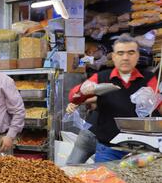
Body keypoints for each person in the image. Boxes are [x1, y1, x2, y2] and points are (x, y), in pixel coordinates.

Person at [69, 34, 162, 162]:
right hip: (108, 148)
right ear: (113, 57)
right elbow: (74, 98)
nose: (125, 58)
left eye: (130, 53)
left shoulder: (149, 78)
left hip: (140, 151)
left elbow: (159, 106)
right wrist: (82, 91)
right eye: (120, 53)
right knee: (103, 181)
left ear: (137, 56)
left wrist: (153, 100)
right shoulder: (101, 77)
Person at [65, 97, 98, 165]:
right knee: (72, 167)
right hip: (88, 133)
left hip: (109, 141)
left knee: (104, 172)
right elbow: (82, 94)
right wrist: (76, 102)